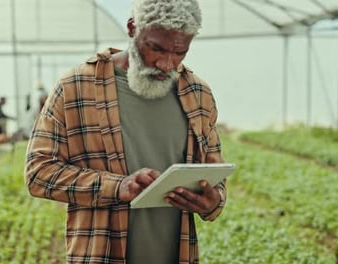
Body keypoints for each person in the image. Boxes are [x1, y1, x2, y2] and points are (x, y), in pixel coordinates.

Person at [24, 0, 227, 263]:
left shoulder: (198, 94)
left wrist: (212, 201)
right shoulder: (75, 87)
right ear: (132, 28)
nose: (166, 64)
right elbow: (38, 173)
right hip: (101, 255)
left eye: (180, 52)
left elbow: (216, 178)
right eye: (156, 48)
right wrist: (117, 186)